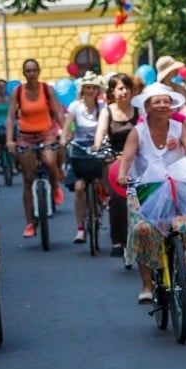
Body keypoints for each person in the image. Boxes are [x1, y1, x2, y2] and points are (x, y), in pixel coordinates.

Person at [116, 83, 186, 303]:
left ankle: (181, 255)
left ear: (171, 105)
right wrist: (122, 174)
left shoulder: (178, 128)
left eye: (166, 101)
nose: (162, 105)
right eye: (157, 102)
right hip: (145, 189)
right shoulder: (137, 132)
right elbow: (127, 158)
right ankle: (147, 284)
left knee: (182, 226)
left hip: (176, 187)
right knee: (143, 230)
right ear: (147, 107)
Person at [6, 58, 66, 238]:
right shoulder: (18, 92)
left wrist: (63, 134)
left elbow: (57, 110)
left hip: (46, 134)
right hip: (25, 137)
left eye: (34, 70)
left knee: (50, 161)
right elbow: (10, 117)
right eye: (28, 71)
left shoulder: (47, 89)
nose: (31, 74)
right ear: (24, 73)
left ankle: (55, 186)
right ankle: (30, 223)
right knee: (27, 178)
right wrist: (10, 140)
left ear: (38, 72)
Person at [92, 73, 139, 257]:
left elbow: (145, 128)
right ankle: (117, 241)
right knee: (116, 199)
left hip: (136, 158)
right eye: (120, 88)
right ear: (112, 91)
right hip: (113, 159)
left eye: (127, 87)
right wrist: (97, 145)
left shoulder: (138, 110)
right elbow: (101, 131)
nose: (124, 91)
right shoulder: (107, 111)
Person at [59, 71, 106, 244]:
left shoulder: (103, 108)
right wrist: (64, 139)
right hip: (79, 150)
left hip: (97, 148)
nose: (90, 90)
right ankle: (80, 229)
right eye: (87, 87)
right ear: (82, 89)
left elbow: (106, 126)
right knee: (79, 188)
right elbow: (67, 126)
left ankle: (101, 199)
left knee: (102, 178)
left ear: (97, 90)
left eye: (93, 88)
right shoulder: (75, 107)